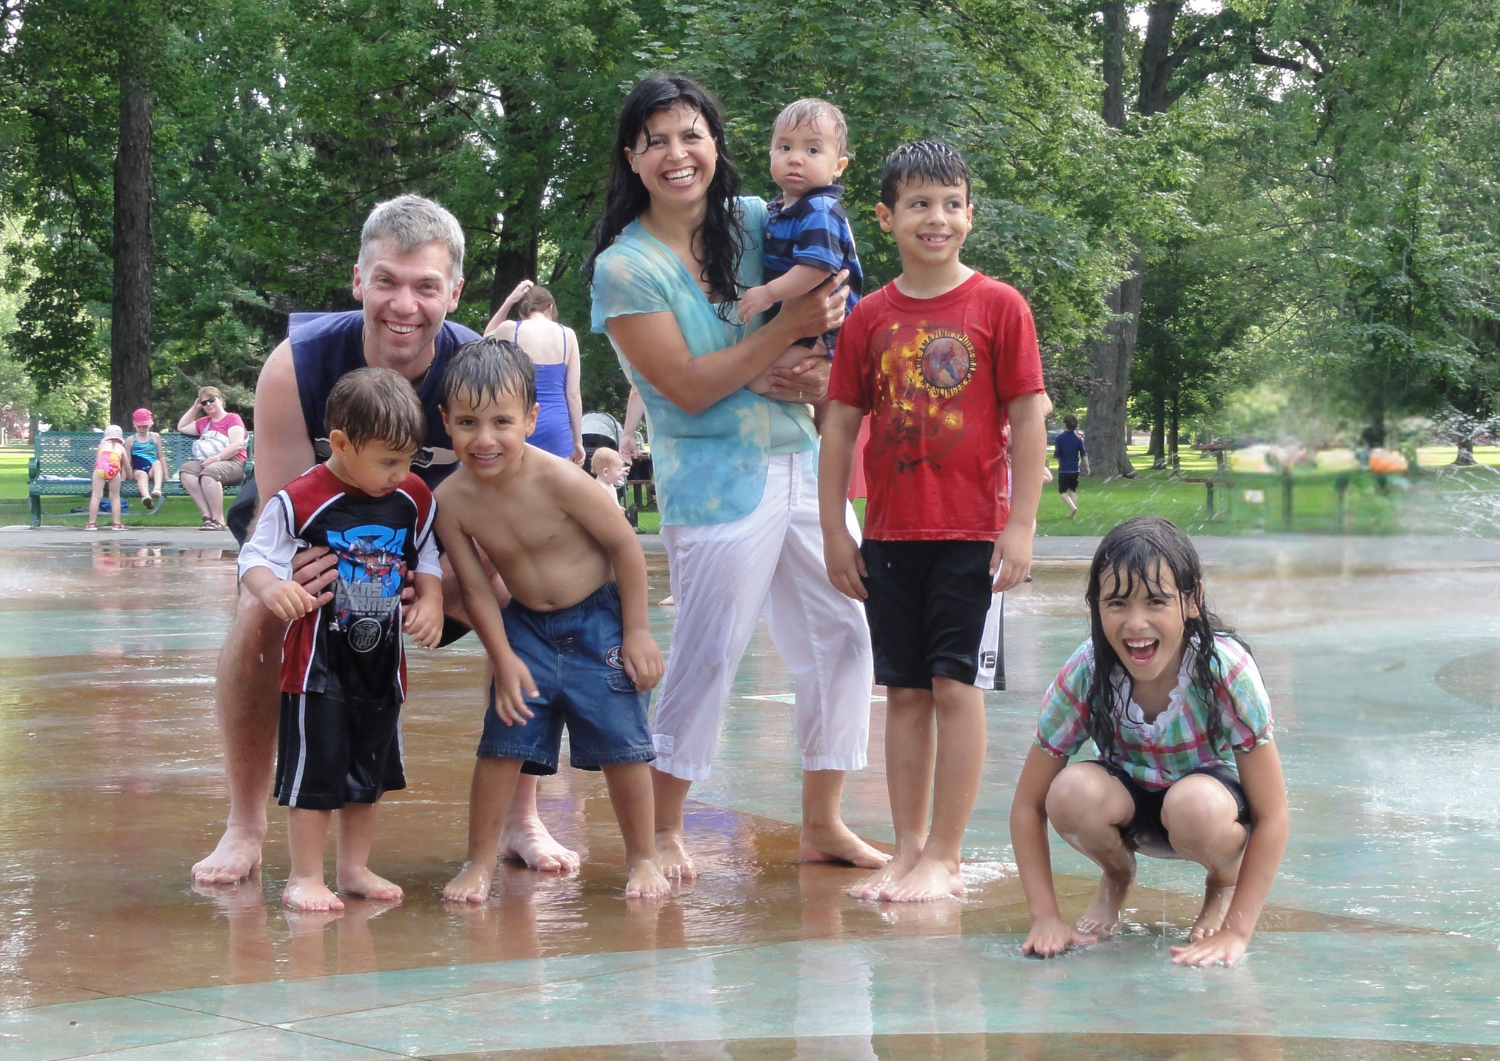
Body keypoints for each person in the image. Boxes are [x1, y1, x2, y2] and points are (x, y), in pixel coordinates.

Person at [192, 194, 575, 886]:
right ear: (358, 281)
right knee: (258, 612)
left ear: (453, 292)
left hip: (436, 561)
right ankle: (244, 825)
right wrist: (349, 575)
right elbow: (283, 526)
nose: (405, 303)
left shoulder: (477, 371)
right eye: (387, 281)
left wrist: (442, 578)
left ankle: (523, 813)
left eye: (426, 286)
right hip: (327, 555)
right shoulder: (297, 365)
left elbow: (518, 511)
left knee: (526, 597)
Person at [586, 74, 883, 879]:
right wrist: (776, 341)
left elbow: (834, 296)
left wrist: (819, 371)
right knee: (711, 652)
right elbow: (680, 386)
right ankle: (665, 829)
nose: (678, 155)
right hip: (714, 483)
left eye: (692, 135)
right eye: (657, 141)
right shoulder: (625, 268)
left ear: (717, 144)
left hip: (803, 469)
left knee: (847, 636)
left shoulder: (760, 219)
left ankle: (822, 820)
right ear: (633, 159)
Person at [820, 140, 1048, 902]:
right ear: (885, 217)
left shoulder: (999, 306)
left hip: (971, 539)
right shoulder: (869, 318)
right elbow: (841, 429)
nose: (936, 217)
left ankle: (946, 853)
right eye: (919, 203)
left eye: (951, 203)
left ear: (970, 216)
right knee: (906, 693)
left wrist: (1020, 526)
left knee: (957, 688)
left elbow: (1028, 419)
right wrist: (834, 532)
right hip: (888, 536)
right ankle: (908, 845)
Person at [435, 339, 668, 901]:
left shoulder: (558, 479)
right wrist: (503, 657)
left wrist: (636, 630)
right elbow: (474, 590)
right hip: (526, 629)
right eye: (467, 422)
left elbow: (625, 547)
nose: (484, 439)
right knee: (501, 743)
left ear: (532, 419)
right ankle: (480, 862)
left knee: (624, 744)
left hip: (598, 622)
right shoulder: (452, 500)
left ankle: (644, 858)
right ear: (445, 422)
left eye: (501, 422)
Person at [1010, 517, 1288, 966]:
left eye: (1156, 601)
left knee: (1194, 805)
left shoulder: (1224, 670)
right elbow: (1027, 806)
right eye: (1116, 603)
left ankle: (1222, 882)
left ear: (1192, 601)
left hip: (1206, 807)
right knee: (1069, 792)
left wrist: (1238, 931)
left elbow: (1273, 814)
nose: (1135, 623)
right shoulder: (1087, 672)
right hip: (1128, 801)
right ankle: (1117, 875)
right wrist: (1044, 916)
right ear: (1095, 607)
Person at [238, 368, 444, 910]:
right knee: (315, 772)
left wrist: (432, 599)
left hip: (381, 665)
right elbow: (255, 556)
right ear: (341, 444)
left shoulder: (413, 496)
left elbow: (424, 554)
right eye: (387, 461)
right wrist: (272, 588)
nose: (399, 474)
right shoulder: (302, 497)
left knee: (368, 772)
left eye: (409, 460)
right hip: (316, 666)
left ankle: (353, 868)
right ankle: (305, 875)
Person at [736, 98, 863, 397]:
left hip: (824, 328)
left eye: (813, 150)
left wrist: (769, 293)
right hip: (801, 324)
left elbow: (817, 268)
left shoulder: (819, 209)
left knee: (756, 380)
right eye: (785, 147)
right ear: (771, 154)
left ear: (839, 166)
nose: (796, 158)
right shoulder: (781, 208)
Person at [483, 283, 584, 464]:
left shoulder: (510, 329)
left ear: (522, 312)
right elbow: (574, 394)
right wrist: (578, 441)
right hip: (557, 426)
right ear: (550, 307)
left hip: (520, 422)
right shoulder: (567, 335)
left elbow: (485, 337)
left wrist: (509, 300)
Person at [177, 387, 248, 531]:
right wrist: (195, 408)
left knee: (209, 474)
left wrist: (216, 458)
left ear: (221, 400)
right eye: (204, 403)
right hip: (209, 463)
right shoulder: (204, 422)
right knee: (187, 470)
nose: (208, 404)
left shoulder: (232, 418)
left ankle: (218, 519)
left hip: (233, 463)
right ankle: (207, 516)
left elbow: (237, 445)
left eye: (211, 400)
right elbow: (182, 426)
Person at [85, 425, 128, 531]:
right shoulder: (121, 448)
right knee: (115, 497)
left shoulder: (101, 445)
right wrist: (129, 475)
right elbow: (126, 465)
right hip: (114, 468)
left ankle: (91, 523)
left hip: (100, 468)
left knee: (96, 496)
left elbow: (98, 459)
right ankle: (117, 524)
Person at [128, 408, 167, 511]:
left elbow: (161, 456)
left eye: (144, 426)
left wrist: (166, 475)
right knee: (142, 475)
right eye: (139, 426)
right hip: (138, 469)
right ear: (134, 425)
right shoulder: (131, 440)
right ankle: (146, 497)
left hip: (152, 469)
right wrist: (125, 476)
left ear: (149, 425)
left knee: (157, 463)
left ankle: (157, 489)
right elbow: (127, 461)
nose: (142, 429)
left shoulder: (155, 437)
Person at [1054, 413, 1089, 519]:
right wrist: (1087, 467)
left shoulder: (1060, 438)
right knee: (1073, 490)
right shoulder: (1078, 439)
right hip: (1075, 470)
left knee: (1063, 491)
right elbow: (1083, 453)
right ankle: (1072, 514)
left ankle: (1073, 507)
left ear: (1064, 425)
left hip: (1064, 469)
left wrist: (1061, 461)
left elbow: (1057, 455)